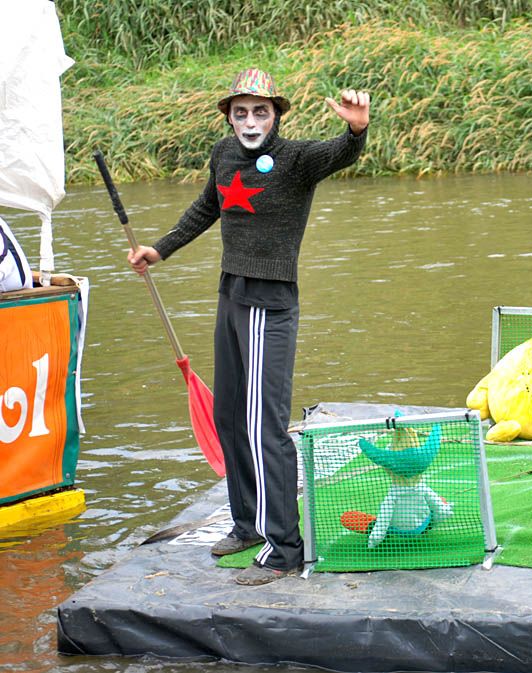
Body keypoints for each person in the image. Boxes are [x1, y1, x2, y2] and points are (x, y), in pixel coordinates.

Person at [128, 68, 370, 585]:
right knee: (231, 417)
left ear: (276, 115)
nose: (250, 120)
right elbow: (207, 207)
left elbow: (343, 153)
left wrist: (355, 130)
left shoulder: (297, 159)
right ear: (229, 116)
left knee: (265, 425)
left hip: (270, 300)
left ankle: (285, 547)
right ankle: (248, 526)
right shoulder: (223, 154)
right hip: (231, 294)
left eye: (260, 111)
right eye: (241, 112)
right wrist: (160, 248)